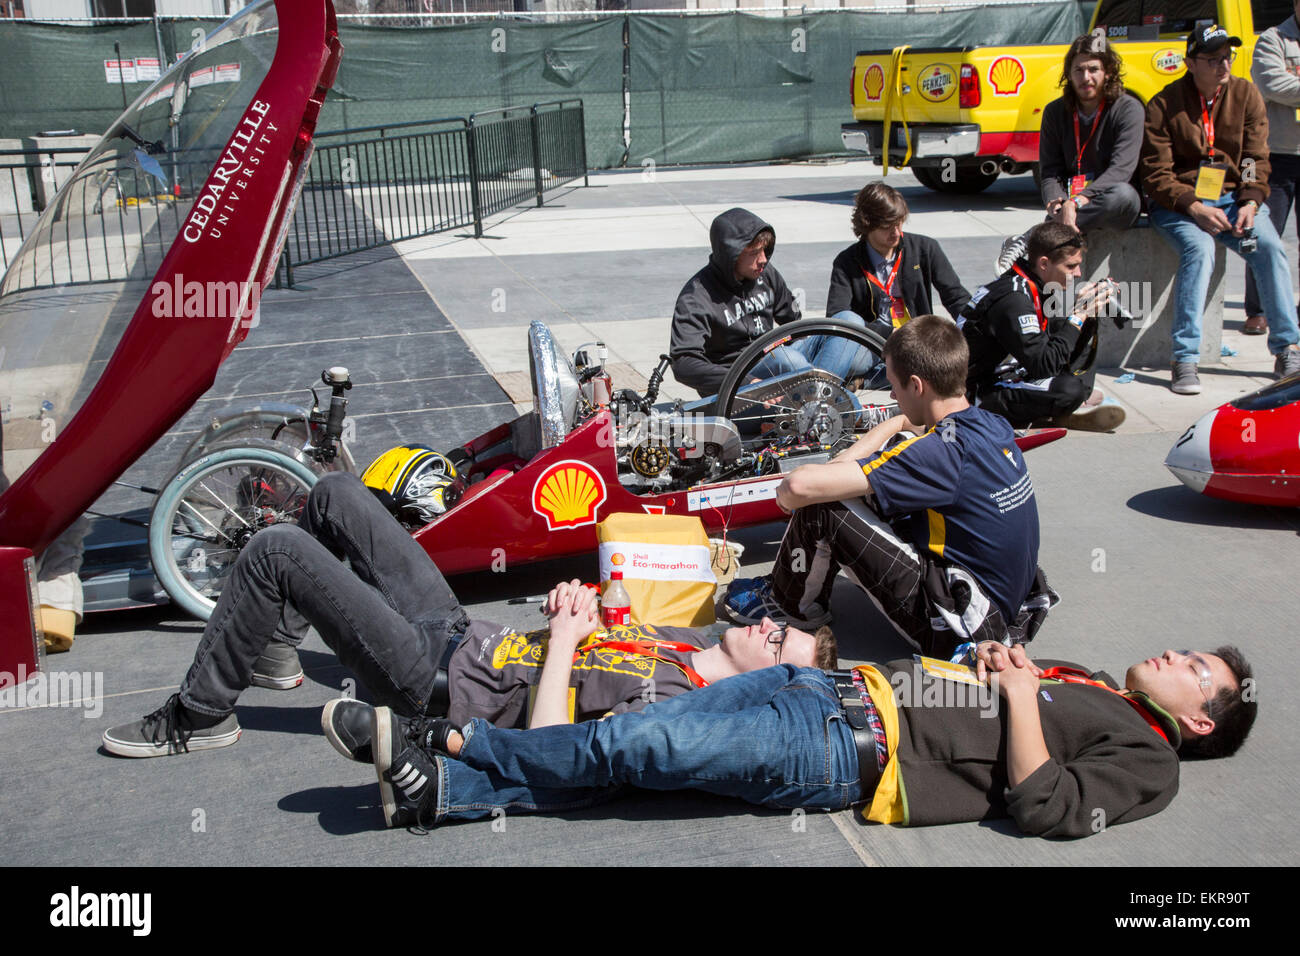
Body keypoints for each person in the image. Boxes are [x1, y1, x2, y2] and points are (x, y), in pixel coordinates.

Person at [100, 471, 835, 758]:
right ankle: (269, 649)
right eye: (781, 624)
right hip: (462, 630)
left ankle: (198, 715)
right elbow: (585, 633)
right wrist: (572, 607)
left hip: (432, 680)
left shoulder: (673, 708)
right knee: (332, 496)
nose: (768, 624)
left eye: (779, 643)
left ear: (765, 683)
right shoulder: (685, 640)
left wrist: (567, 641)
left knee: (276, 551)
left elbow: (551, 745)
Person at [325, 640, 1256, 836]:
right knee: (636, 756)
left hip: (842, 751)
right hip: (823, 686)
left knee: (629, 752)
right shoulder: (1092, 677)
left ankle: (447, 744)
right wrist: (991, 665)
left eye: (1195, 669)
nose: (1175, 653)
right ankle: (439, 793)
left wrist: (1016, 695)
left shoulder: (1150, 760)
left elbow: (1046, 803)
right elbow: (996, 698)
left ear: (1199, 719)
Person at [722, 314, 1055, 658]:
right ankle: (797, 583)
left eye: (894, 385)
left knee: (821, 504)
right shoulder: (990, 424)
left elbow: (799, 486)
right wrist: (898, 422)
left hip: (957, 627)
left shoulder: (939, 454)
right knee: (877, 471)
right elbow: (914, 437)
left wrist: (795, 492)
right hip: (1000, 607)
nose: (892, 394)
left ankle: (789, 606)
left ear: (916, 385)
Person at [1141, 24, 1300, 394]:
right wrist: (1193, 206)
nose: (1223, 65)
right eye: (1212, 59)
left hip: (1232, 198)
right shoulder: (1164, 103)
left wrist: (1249, 199)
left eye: (1226, 57)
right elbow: (1156, 173)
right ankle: (1185, 358)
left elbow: (1254, 158)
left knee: (1271, 248)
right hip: (1179, 204)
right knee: (1199, 249)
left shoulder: (1245, 94)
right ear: (1190, 63)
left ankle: (1287, 349)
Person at [962, 222, 1126, 431]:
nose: (1077, 274)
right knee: (1069, 391)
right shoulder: (1014, 299)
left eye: (1078, 265)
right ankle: (1047, 410)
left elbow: (1051, 352)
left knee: (1072, 329)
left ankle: (1052, 409)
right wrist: (1078, 315)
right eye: (1070, 266)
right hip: (979, 388)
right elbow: (1043, 365)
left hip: (1013, 373)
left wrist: (1088, 316)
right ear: (1044, 263)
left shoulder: (1035, 287)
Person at [823, 182, 969, 383]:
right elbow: (837, 315)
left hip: (917, 342)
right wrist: (885, 332)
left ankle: (874, 379)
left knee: (948, 354)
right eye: (886, 227)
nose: (896, 232)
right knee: (854, 360)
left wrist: (974, 325)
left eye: (899, 223)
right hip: (875, 344)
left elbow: (955, 295)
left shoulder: (925, 248)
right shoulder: (847, 261)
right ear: (867, 224)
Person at [668, 208, 803, 398]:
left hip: (771, 360)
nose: (763, 259)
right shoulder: (696, 297)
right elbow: (683, 363)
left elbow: (794, 323)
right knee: (787, 359)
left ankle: (838, 405)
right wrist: (745, 382)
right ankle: (834, 407)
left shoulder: (766, 273)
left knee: (842, 324)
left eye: (764, 250)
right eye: (755, 253)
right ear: (730, 254)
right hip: (737, 385)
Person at [1039, 34, 1144, 232]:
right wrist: (1056, 202)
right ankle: (1061, 226)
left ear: (1108, 72)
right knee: (1059, 209)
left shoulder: (1128, 108)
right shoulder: (1054, 112)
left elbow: (1121, 170)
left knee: (1123, 194)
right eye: (1079, 70)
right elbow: (1050, 172)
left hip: (1113, 204)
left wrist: (1078, 201)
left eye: (1093, 69)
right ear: (1069, 74)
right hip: (1071, 205)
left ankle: (1052, 231)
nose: (1086, 77)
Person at [1244, 1, 1300, 336]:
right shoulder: (1274, 38)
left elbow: (1287, 87)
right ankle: (1258, 309)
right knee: (1264, 237)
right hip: (1278, 154)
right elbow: (1271, 83)